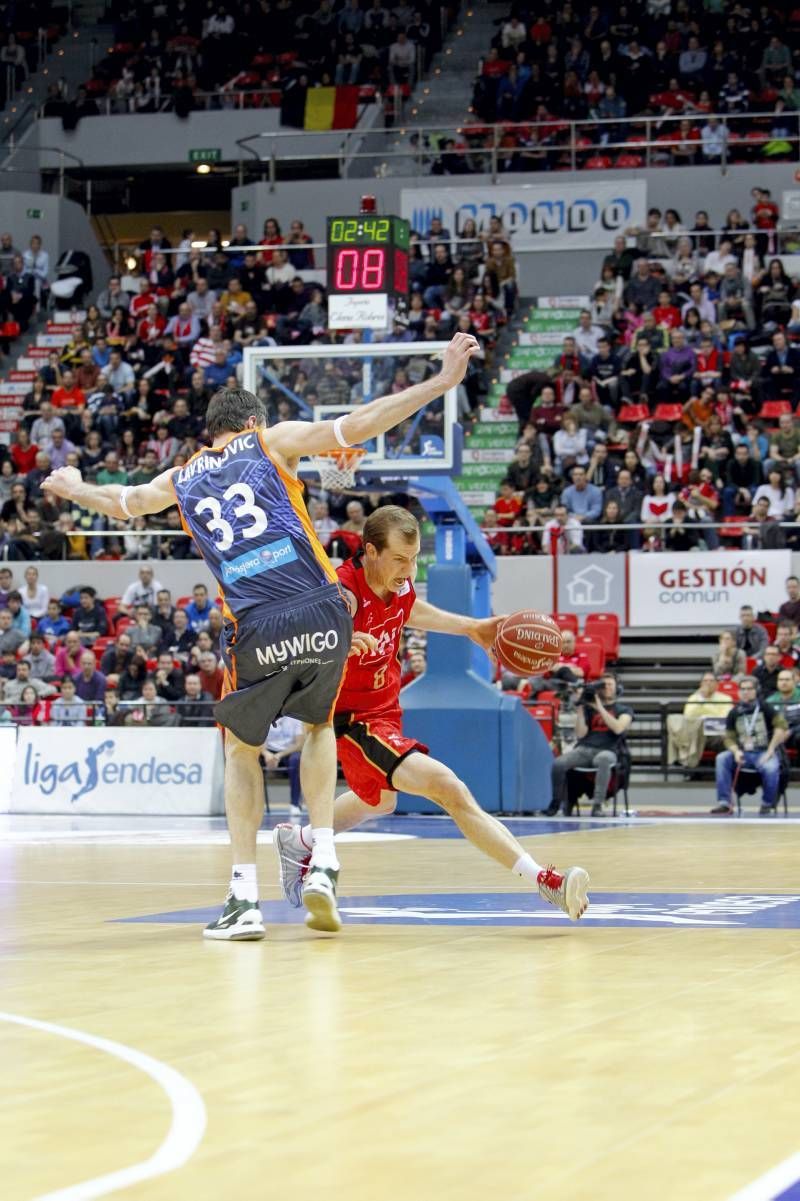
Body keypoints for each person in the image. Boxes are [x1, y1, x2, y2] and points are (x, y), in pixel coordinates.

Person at [42, 332, 482, 941]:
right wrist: (440, 383)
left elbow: (124, 503)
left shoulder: (183, 475)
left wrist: (71, 487)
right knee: (319, 725)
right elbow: (357, 423)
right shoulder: (269, 442)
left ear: (210, 433)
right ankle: (322, 857)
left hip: (257, 621)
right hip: (327, 611)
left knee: (241, 751)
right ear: (252, 421)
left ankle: (243, 897)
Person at [273, 507, 589, 921]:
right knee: (448, 787)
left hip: (385, 708)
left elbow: (412, 609)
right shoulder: (343, 593)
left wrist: (471, 627)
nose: (409, 569)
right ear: (370, 552)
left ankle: (301, 840)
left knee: (380, 802)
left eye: (415, 557)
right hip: (351, 717)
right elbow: (302, 625)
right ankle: (547, 882)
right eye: (400, 559)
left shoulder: (398, 585)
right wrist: (339, 637)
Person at [544, 673, 633, 817]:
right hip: (586, 748)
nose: (607, 688)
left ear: (618, 688)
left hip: (609, 749)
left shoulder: (624, 710)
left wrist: (599, 706)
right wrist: (580, 710)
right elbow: (580, 734)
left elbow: (618, 728)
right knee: (558, 763)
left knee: (603, 759)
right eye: (604, 685)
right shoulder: (589, 709)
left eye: (610, 684)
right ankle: (556, 802)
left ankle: (597, 806)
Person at [712, 676, 787, 815]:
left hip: (764, 752)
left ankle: (767, 803)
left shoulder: (765, 707)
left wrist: (770, 751)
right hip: (744, 753)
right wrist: (735, 751)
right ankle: (724, 803)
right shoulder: (734, 712)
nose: (746, 692)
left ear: (756, 690)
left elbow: (781, 726)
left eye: (749, 689)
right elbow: (729, 738)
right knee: (722, 758)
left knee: (771, 768)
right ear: (739, 692)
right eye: (743, 689)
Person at [666, 672, 733, 768]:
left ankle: (724, 769)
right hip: (695, 733)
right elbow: (688, 716)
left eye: (711, 681)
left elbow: (725, 717)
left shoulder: (725, 698)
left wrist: (704, 705)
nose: (708, 683)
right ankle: (692, 771)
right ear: (701, 684)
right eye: (705, 681)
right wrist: (701, 700)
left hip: (715, 733)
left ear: (717, 684)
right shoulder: (693, 698)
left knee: (723, 740)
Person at [263, 715, 307, 817]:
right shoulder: (265, 714)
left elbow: (299, 744)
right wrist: (266, 754)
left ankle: (295, 804)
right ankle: (254, 803)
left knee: (296, 760)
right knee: (252, 758)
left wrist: (279, 755)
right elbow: (257, 741)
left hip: (288, 751)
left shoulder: (295, 717)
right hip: (268, 751)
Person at [767, 668, 800, 751]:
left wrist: (791, 731)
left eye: (787, 680)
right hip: (777, 733)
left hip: (796, 732)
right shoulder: (770, 700)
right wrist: (778, 732)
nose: (784, 682)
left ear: (794, 681)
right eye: (781, 680)